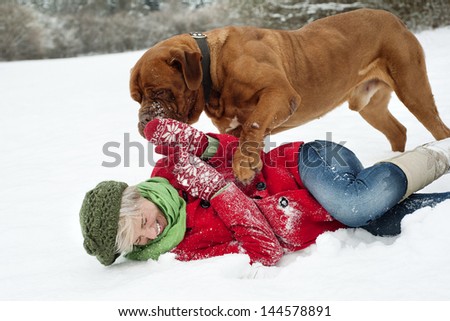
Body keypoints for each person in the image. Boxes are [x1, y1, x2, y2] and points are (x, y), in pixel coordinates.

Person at [80, 119, 450, 266]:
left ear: (138, 196)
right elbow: (266, 250)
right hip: (325, 217)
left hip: (307, 165)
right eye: (139, 240)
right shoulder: (183, 247)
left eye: (142, 222)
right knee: (415, 219)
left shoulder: (169, 167)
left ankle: (441, 152)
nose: (151, 233)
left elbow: (240, 153)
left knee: (356, 203)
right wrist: (218, 189)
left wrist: (201, 145)